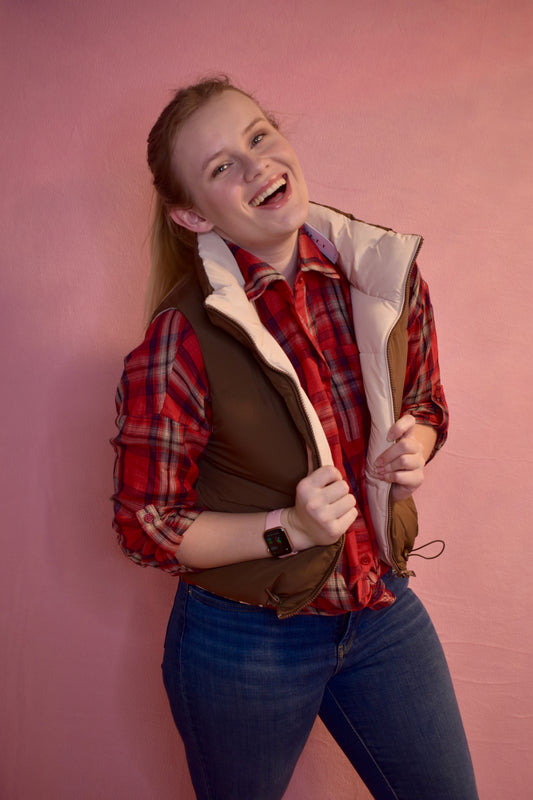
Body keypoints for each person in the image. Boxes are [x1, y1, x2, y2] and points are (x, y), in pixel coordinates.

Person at [111, 76, 478, 800]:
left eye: (257, 137)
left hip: (378, 607)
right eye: (221, 167)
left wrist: (419, 442)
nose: (256, 166)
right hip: (243, 642)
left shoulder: (380, 271)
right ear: (189, 215)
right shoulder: (179, 339)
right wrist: (288, 529)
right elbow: (145, 527)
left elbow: (426, 400)